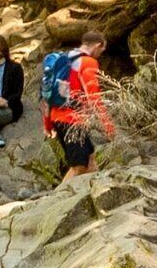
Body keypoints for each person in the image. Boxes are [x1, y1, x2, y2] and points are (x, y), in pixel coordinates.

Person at [46, 36, 109, 179]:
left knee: (90, 159)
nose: (101, 54)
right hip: (71, 120)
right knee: (79, 167)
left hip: (59, 117)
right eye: (102, 50)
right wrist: (107, 125)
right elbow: (94, 96)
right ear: (97, 46)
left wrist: (48, 122)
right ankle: (54, 199)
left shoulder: (64, 58)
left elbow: (47, 91)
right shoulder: (88, 62)